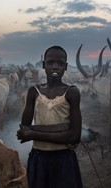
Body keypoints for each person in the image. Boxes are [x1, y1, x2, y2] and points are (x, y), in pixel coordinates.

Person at [17, 46, 83, 188]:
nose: (55, 67)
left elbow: (74, 137)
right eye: (50, 62)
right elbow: (23, 132)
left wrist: (33, 132)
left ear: (65, 67)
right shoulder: (34, 92)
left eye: (60, 63)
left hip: (64, 160)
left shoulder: (71, 92)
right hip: (39, 159)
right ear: (43, 65)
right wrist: (62, 128)